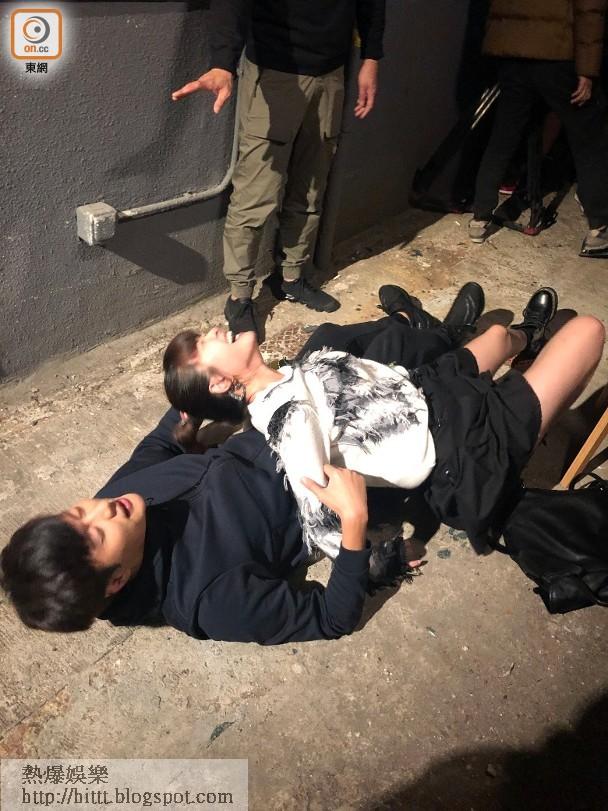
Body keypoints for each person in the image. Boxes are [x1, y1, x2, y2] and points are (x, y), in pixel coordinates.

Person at [0, 286, 481, 645]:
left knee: (328, 342)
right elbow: (333, 619)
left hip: (273, 432)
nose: (101, 509)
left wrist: (197, 387)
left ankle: (424, 329)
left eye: (76, 513)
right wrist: (354, 529)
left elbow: (161, 442)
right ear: (117, 581)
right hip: (321, 481)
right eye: (96, 534)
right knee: (421, 395)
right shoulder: (209, 600)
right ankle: (462, 351)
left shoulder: (120, 502)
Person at [163, 288, 605, 559]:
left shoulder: (277, 380)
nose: (216, 330)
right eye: (204, 343)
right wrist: (383, 552)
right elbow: (320, 521)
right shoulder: (288, 419)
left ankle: (531, 336)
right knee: (588, 330)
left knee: (497, 335)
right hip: (459, 443)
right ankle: (534, 415)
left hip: (427, 387)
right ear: (219, 382)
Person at [172, 0, 386, 337]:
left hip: (331, 72)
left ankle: (291, 277)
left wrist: (371, 57)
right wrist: (223, 63)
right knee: (256, 195)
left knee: (311, 186)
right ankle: (240, 297)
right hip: (274, 73)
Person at [469, 0, 608, 256]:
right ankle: (599, 229)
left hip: (512, 51)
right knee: (589, 140)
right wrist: (587, 70)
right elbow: (590, 11)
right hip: (557, 53)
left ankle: (479, 218)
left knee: (502, 137)